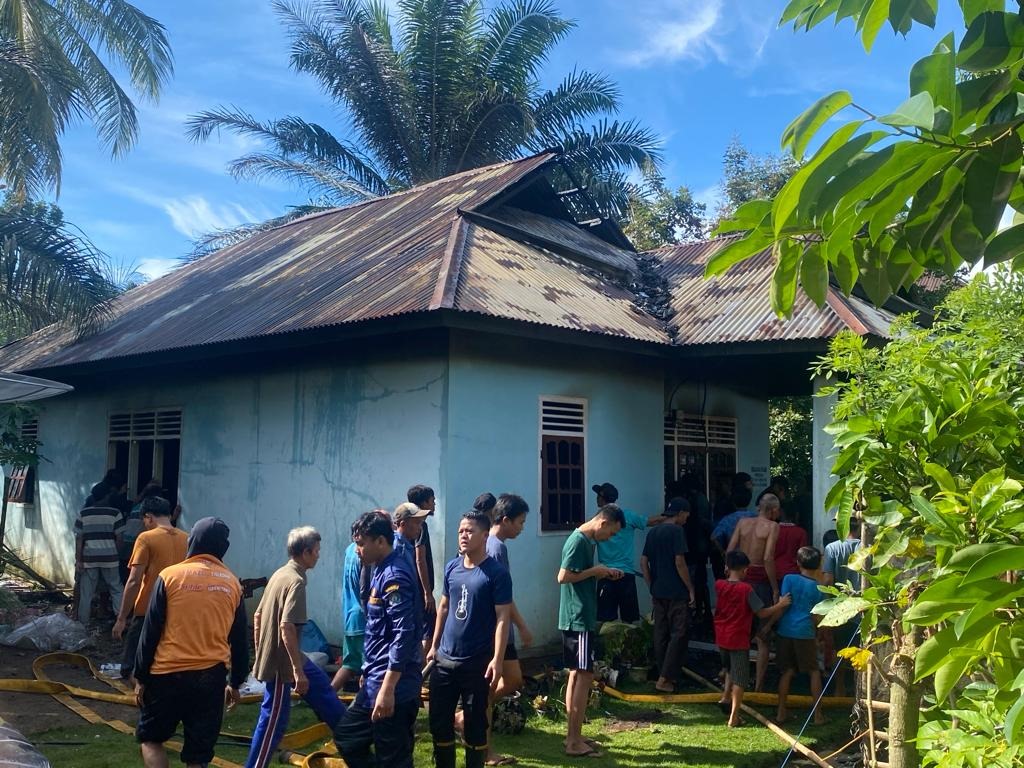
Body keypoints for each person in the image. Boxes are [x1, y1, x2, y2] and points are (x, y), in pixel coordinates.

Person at [133, 517, 248, 768]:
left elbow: (150, 631)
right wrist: (236, 682)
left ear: (192, 541)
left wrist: (140, 677)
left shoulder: (170, 577)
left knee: (151, 739)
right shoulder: (232, 584)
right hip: (210, 679)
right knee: (198, 755)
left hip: (167, 675)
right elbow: (240, 639)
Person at [245, 527, 345, 768]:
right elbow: (287, 627)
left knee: (323, 689)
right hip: (283, 664)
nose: (319, 556)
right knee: (274, 718)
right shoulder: (296, 581)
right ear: (305, 552)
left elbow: (257, 617)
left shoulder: (281, 573)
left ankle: (354, 740)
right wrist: (294, 671)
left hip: (290, 656)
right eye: (317, 551)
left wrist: (261, 652)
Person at [333, 512, 423, 768]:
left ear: (381, 541)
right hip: (375, 678)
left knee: (392, 757)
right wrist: (367, 670)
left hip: (395, 685)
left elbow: (403, 634)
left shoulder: (394, 575)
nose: (357, 550)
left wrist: (388, 687)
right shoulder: (379, 569)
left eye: (362, 543)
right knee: (348, 736)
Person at [427, 512, 512, 768]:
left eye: (470, 531)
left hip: (476, 662)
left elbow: (502, 618)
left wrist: (497, 660)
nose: (463, 536)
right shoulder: (452, 567)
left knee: (475, 726)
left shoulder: (496, 574)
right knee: (440, 724)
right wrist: (433, 646)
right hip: (444, 660)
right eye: (461, 531)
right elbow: (443, 607)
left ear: (485, 535)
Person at [557, 504, 625, 758]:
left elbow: (578, 575)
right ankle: (573, 742)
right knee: (584, 676)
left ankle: (573, 736)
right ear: (603, 523)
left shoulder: (587, 541)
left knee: (577, 675)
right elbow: (563, 576)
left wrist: (601, 572)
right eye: (612, 533)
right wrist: (596, 571)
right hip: (578, 618)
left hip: (578, 615)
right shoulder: (578, 541)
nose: (611, 538)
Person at [112, 496, 188, 682]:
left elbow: (133, 581)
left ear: (148, 517)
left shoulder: (146, 538)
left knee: (133, 659)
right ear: (169, 515)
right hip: (177, 606)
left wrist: (122, 618)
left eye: (144, 520)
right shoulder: (186, 538)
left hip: (147, 605)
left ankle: (136, 684)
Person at [714, 550, 791, 728]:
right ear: (745, 570)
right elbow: (761, 612)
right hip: (738, 637)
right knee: (740, 678)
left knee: (729, 668)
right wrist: (780, 605)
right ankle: (734, 716)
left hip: (722, 635)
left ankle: (725, 697)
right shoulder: (745, 589)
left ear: (727, 567)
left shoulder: (719, 585)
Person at [485, 493, 533, 766]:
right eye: (520, 522)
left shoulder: (497, 545)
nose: (522, 528)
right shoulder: (495, 548)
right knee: (490, 687)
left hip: (503, 631)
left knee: (513, 680)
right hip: (496, 631)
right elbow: (502, 598)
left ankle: (468, 716)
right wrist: (522, 625)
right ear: (505, 520)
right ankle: (486, 750)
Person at [727, 492, 781, 692]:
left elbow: (730, 550)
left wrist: (731, 572)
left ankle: (732, 679)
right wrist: (775, 588)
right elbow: (768, 558)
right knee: (762, 636)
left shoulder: (743, 522)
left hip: (740, 576)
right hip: (759, 581)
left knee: (739, 629)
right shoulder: (772, 526)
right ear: (774, 510)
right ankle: (758, 687)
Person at [640, 497, 696, 692]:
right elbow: (679, 562)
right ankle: (665, 678)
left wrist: (650, 584)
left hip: (658, 591)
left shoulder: (653, 532)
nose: (687, 519)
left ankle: (663, 673)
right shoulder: (677, 531)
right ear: (680, 513)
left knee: (660, 633)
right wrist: (690, 588)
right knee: (679, 633)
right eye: (686, 515)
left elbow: (643, 562)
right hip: (676, 591)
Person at [591, 482, 664, 624]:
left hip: (606, 575)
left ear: (601, 498)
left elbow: (590, 548)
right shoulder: (627, 516)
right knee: (629, 620)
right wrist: (669, 517)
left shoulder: (596, 522)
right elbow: (651, 521)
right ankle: (628, 645)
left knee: (606, 621)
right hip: (626, 575)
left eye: (597, 495)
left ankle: (609, 646)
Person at [775, 546, 827, 726]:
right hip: (805, 631)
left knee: (787, 671)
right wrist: (817, 634)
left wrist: (769, 626)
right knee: (813, 671)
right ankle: (818, 715)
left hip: (785, 630)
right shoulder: (819, 588)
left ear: (798, 563)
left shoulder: (789, 579)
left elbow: (784, 604)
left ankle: (781, 712)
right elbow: (816, 616)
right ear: (819, 564)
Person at [75, 484, 126, 626]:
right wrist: (115, 554)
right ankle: (120, 620)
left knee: (87, 592)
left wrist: (78, 560)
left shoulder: (83, 514)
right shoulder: (115, 513)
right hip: (110, 558)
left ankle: (82, 624)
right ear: (106, 496)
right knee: (116, 588)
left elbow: (79, 539)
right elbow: (120, 539)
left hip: (89, 558)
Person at [822, 521, 862, 696]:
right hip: (864, 606)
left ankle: (839, 689)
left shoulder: (832, 548)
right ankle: (860, 690)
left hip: (841, 607)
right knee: (862, 650)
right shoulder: (868, 547)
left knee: (840, 649)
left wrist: (827, 605)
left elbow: (828, 580)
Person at [333, 538, 368, 692]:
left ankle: (327, 698)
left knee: (349, 665)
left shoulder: (350, 549)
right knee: (369, 669)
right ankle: (366, 706)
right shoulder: (366, 554)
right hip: (362, 617)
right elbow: (365, 589)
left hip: (350, 616)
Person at [408, 484, 438, 653]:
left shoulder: (410, 524)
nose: (434, 504)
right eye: (432, 501)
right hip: (420, 590)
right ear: (424, 503)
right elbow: (420, 559)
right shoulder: (420, 525)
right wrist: (427, 593)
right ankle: (420, 673)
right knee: (428, 630)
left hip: (413, 588)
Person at [680, 475, 712, 626]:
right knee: (700, 580)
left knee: (697, 580)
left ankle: (700, 611)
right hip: (699, 546)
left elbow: (702, 523)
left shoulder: (697, 501)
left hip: (696, 547)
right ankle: (702, 611)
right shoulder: (700, 499)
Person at [774, 507, 808, 581]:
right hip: (794, 572)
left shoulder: (773, 530)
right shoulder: (801, 532)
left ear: (780, 514)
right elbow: (803, 556)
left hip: (775, 572)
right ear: (796, 515)